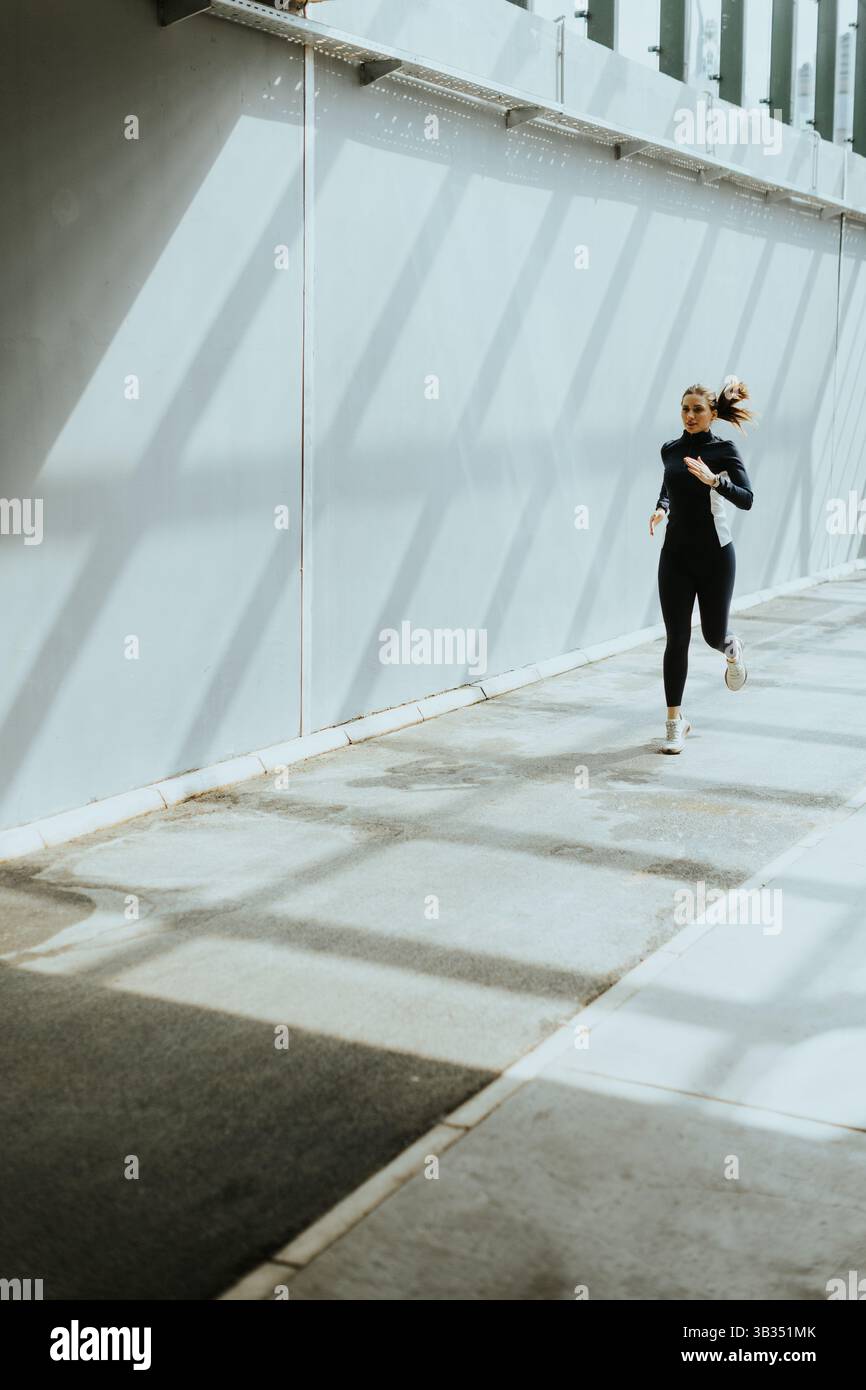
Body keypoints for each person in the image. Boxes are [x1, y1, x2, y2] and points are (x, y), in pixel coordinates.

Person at [649, 377, 755, 754]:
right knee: (677, 639)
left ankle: (730, 646)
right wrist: (662, 508)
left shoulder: (723, 449)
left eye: (697, 409)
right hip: (675, 556)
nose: (689, 415)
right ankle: (675, 722)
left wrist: (715, 481)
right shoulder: (670, 449)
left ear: (712, 414)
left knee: (711, 636)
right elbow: (669, 485)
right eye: (684, 408)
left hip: (715, 556)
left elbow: (747, 499)